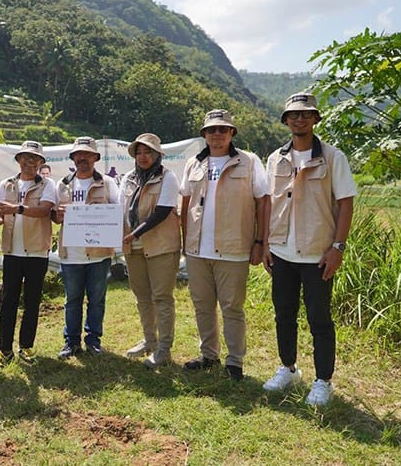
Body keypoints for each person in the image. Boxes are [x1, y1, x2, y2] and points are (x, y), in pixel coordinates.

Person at [261, 93, 356, 406]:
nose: (299, 119)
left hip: (317, 253)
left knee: (319, 319)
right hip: (281, 252)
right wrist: (264, 244)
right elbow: (268, 205)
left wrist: (337, 247)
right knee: (283, 315)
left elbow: (345, 203)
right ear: (286, 120)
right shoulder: (276, 158)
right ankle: (288, 368)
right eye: (293, 115)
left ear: (316, 119)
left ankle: (322, 381)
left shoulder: (332, 157)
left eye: (305, 114)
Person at [180, 110, 268, 380]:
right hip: (197, 250)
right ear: (204, 135)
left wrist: (259, 242)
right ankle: (208, 354)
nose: (216, 134)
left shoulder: (249, 162)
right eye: (211, 130)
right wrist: (185, 242)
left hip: (234, 248)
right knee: (202, 304)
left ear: (232, 133)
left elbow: (263, 202)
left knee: (232, 307)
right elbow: (185, 203)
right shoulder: (193, 164)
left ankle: (235, 362)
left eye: (222, 130)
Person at [53, 136, 121, 358]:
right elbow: (53, 215)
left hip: (99, 255)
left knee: (97, 300)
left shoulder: (108, 183)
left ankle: (93, 340)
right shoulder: (62, 184)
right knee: (72, 301)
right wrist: (58, 215)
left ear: (95, 158)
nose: (82, 158)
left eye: (87, 154)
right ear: (73, 158)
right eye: (78, 155)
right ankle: (71, 342)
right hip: (71, 254)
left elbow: (117, 212)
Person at [0, 141, 57, 368]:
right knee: (8, 300)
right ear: (18, 160)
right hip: (12, 251)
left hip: (37, 251)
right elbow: (1, 215)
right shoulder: (6, 185)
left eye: (34, 159)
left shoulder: (48, 184)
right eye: (25, 158)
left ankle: (26, 347)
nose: (29, 162)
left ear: (40, 163)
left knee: (32, 301)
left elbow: (45, 210)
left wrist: (15, 208)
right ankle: (4, 350)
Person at [120, 133, 181, 368]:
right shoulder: (128, 178)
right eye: (139, 152)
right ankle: (150, 340)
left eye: (148, 152)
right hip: (132, 247)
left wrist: (135, 233)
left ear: (157, 155)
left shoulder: (168, 178)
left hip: (161, 246)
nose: (143, 157)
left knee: (162, 297)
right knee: (142, 296)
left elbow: (162, 211)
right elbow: (119, 209)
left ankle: (164, 348)